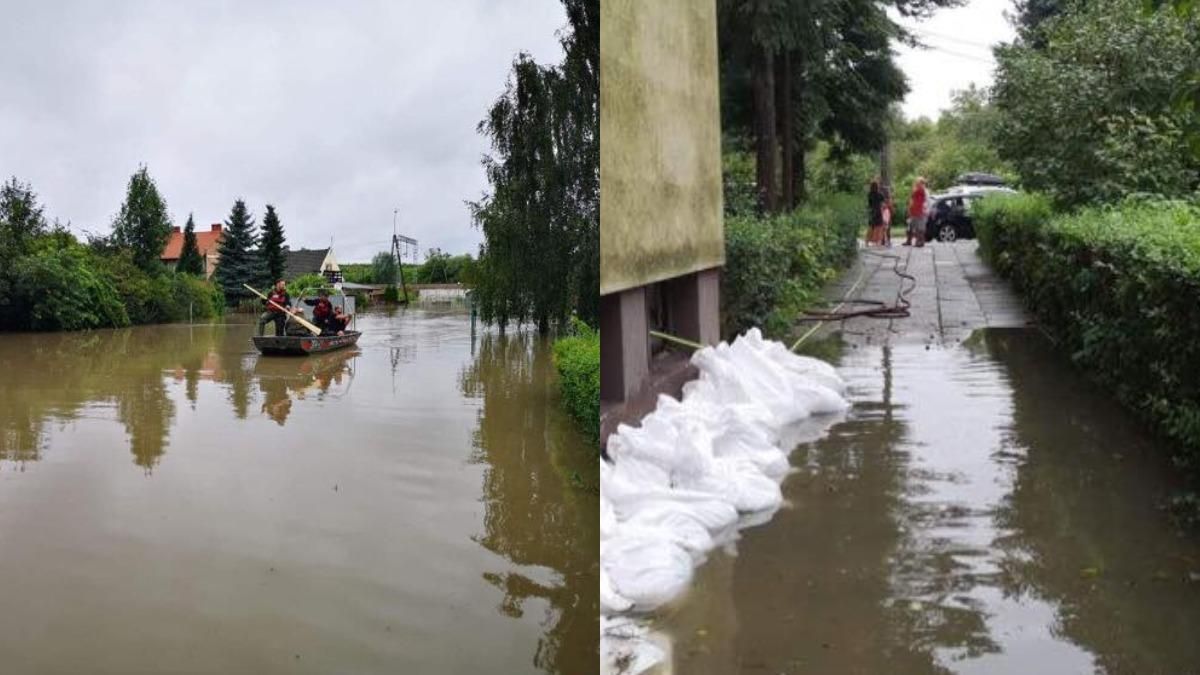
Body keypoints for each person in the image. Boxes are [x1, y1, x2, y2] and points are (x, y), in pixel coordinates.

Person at [906, 177, 929, 247]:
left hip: (920, 210)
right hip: (914, 210)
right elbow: (912, 199)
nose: (917, 183)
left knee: (920, 227)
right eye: (917, 182)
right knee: (914, 226)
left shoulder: (923, 190)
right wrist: (909, 208)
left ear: (922, 183)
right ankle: (916, 241)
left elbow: (926, 200)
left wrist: (925, 209)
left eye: (918, 182)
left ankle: (920, 242)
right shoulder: (916, 190)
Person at [866, 178, 885, 246]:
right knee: (879, 227)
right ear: (877, 187)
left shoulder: (869, 194)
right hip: (878, 211)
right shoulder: (880, 194)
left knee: (871, 226)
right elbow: (883, 204)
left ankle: (867, 241)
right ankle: (877, 241)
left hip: (871, 211)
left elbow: (868, 203)